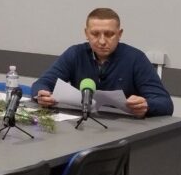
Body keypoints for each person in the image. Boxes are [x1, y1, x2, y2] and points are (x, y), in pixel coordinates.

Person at [32, 8, 173, 117]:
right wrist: (42, 95)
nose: (102, 41)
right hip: (83, 123)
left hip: (123, 129)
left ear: (120, 34)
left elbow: (165, 103)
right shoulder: (75, 54)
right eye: (95, 34)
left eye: (109, 34)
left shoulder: (135, 58)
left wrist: (147, 105)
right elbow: (41, 84)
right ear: (86, 33)